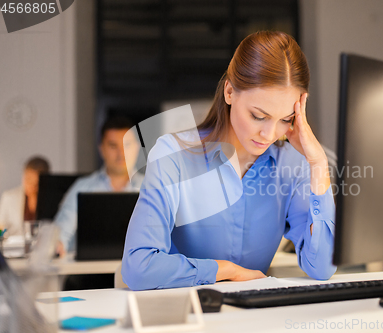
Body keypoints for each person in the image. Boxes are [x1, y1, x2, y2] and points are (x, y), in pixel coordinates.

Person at [122, 31, 336, 290]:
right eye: (258, 116)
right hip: (187, 316)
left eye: (285, 119)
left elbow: (322, 267)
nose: (269, 134)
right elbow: (139, 267)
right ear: (230, 91)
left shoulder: (293, 165)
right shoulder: (173, 156)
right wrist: (225, 271)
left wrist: (318, 165)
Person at [55, 116, 142, 256]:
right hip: (90, 274)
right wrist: (57, 244)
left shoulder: (153, 188)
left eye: (126, 145)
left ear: (136, 148)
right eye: (113, 146)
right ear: (102, 149)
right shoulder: (82, 187)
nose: (121, 154)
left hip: (140, 272)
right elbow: (62, 230)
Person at [0, 156, 51, 237]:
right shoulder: (9, 197)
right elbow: (0, 227)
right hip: (14, 246)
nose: (30, 186)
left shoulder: (51, 200)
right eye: (27, 179)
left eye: (35, 183)